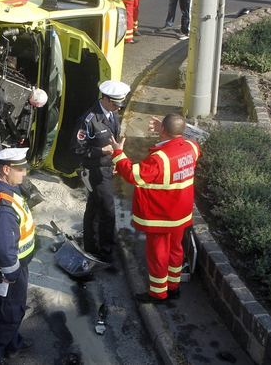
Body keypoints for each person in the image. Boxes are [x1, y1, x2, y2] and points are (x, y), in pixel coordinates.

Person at [110, 113, 200, 303]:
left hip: (161, 216)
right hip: (181, 214)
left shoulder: (160, 158)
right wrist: (167, 127)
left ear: (163, 130)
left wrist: (118, 154)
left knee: (158, 254)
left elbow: (134, 175)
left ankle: (158, 293)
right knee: (176, 250)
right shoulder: (192, 148)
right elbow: (183, 133)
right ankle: (173, 287)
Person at [0, 147, 36, 365]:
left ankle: (13, 345)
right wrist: (12, 273)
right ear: (5, 169)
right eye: (20, 169)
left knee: (6, 307)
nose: (25, 173)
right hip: (8, 268)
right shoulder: (4, 207)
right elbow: (4, 248)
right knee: (11, 312)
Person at [70, 80, 130, 269]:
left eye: (120, 105)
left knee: (95, 208)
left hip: (107, 167)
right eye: (114, 104)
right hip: (95, 171)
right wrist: (101, 152)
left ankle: (92, 246)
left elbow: (113, 138)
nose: (118, 109)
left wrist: (114, 159)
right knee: (108, 212)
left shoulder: (112, 113)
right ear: (104, 99)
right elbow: (75, 149)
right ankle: (107, 252)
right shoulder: (88, 120)